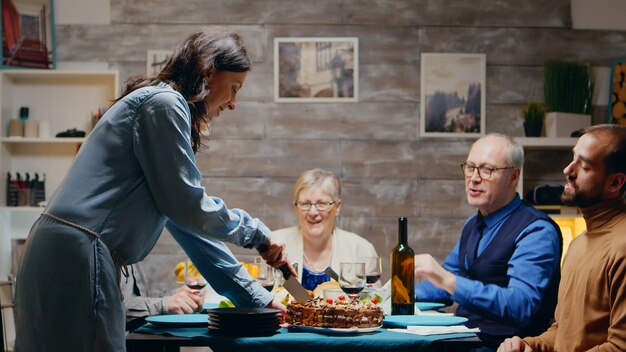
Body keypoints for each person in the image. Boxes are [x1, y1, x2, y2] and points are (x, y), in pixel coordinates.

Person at [14, 26, 294, 352]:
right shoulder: (164, 103)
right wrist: (257, 234)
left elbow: (189, 223)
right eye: (234, 88)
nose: (233, 103)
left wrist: (257, 297)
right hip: (79, 253)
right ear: (209, 71)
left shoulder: (158, 106)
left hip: (58, 251)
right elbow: (190, 208)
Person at [413, 133, 562, 350]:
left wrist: (447, 279)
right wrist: (396, 295)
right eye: (470, 167)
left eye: (487, 170)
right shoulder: (472, 225)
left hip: (502, 346)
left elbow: (520, 305)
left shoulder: (537, 230)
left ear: (513, 177)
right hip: (463, 340)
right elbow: (443, 286)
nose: (474, 177)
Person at [498, 124, 626, 352]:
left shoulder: (622, 247)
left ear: (615, 183)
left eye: (584, 165)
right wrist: (528, 345)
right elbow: (562, 331)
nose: (568, 169)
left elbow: (619, 347)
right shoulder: (578, 244)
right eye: (572, 158)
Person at [272, 168, 378, 290]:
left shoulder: (361, 250)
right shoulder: (275, 246)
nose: (313, 212)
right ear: (296, 207)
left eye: (322, 203)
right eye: (305, 204)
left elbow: (374, 301)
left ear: (337, 207)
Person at [122, 263, 206, 332]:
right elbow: (112, 311)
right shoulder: (110, 257)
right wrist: (163, 304)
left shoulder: (132, 258)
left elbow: (140, 298)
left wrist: (175, 295)